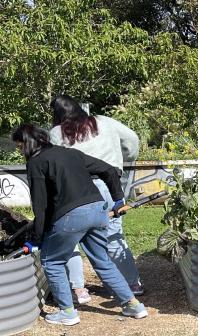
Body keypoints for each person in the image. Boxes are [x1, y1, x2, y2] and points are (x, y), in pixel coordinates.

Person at [12, 124, 148, 325]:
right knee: (103, 261)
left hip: (71, 216)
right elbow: (110, 170)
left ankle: (67, 312)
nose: (19, 150)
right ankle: (134, 306)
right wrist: (118, 199)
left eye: (19, 146)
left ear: (28, 142)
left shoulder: (36, 162)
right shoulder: (71, 153)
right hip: (97, 209)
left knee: (52, 261)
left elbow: (40, 206)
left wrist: (36, 239)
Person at [49, 95, 143, 303]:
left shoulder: (57, 133)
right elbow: (132, 140)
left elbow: (56, 163)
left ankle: (78, 289)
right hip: (111, 186)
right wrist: (124, 158)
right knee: (113, 234)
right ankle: (131, 283)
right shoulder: (105, 122)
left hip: (79, 188)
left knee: (71, 236)